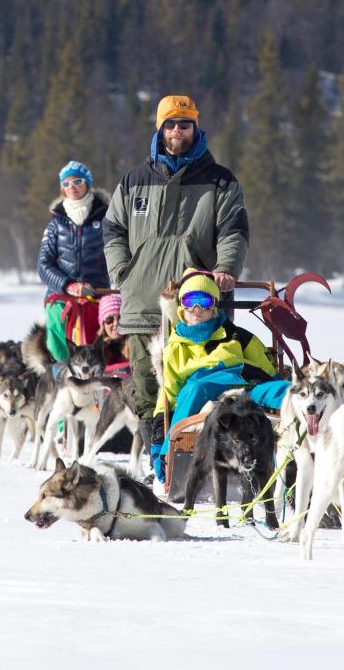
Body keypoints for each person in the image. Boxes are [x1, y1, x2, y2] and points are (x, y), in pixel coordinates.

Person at [102, 94, 249, 442]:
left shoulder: (220, 181)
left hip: (195, 305)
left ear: (196, 128)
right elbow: (113, 230)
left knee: (197, 381)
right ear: (160, 128)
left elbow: (234, 229)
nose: (177, 130)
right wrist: (122, 272)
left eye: (185, 124)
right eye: (170, 124)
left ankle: (197, 454)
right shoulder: (134, 180)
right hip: (142, 301)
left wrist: (227, 266)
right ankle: (157, 458)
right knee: (145, 385)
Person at [158, 273, 278, 420]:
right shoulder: (175, 348)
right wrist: (159, 432)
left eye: (205, 301)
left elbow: (269, 375)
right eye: (190, 301)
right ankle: (173, 442)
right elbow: (168, 394)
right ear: (181, 307)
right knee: (195, 389)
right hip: (199, 397)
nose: (197, 308)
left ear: (214, 306)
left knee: (286, 391)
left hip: (243, 388)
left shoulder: (238, 337)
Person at [37, 160, 110, 362]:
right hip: (61, 293)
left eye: (77, 181)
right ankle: (60, 370)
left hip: (99, 292)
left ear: (88, 183)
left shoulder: (107, 216)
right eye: (66, 183)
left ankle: (103, 372)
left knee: (107, 330)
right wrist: (68, 285)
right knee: (56, 322)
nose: (72, 187)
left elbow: (119, 252)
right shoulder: (56, 222)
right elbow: (44, 265)